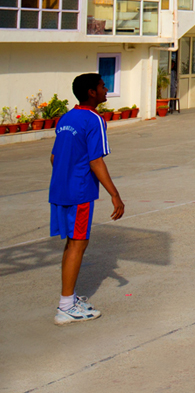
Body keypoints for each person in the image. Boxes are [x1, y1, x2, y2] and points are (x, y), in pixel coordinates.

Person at [49, 73, 125, 325]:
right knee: (78, 244)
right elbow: (96, 160)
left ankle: (68, 300)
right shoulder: (95, 119)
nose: (105, 90)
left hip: (60, 189)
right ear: (92, 92)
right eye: (103, 86)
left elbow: (53, 157)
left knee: (72, 243)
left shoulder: (66, 118)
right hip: (79, 192)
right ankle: (66, 306)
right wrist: (115, 195)